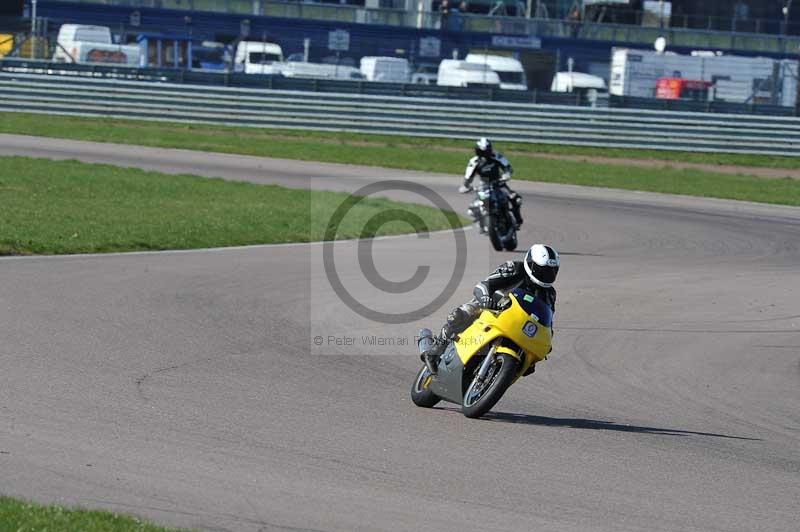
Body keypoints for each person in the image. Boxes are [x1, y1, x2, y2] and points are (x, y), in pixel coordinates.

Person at [421, 244, 559, 373]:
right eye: (542, 269)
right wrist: (486, 299)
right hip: (492, 307)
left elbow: (548, 320)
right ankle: (436, 348)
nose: (546, 274)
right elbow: (484, 285)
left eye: (551, 271)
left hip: (518, 323)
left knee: (528, 365)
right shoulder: (514, 268)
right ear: (531, 263)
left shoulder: (550, 293)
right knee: (462, 313)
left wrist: (547, 340)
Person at [460, 138, 523, 230]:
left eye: (487, 151)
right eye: (482, 152)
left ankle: (517, 220)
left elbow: (508, 168)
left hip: (498, 183)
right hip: (483, 186)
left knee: (514, 198)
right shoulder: (474, 162)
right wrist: (466, 186)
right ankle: (482, 223)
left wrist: (506, 175)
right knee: (474, 208)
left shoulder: (497, 156)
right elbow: (468, 177)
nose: (485, 155)